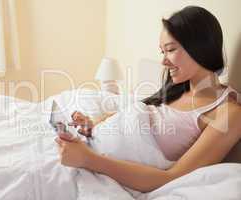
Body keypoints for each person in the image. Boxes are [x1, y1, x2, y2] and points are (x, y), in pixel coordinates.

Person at [55, 6, 241, 192]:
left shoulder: (227, 113)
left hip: (96, 163)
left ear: (200, 46)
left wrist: (88, 159)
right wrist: (92, 125)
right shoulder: (177, 89)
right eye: (163, 52)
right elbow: (135, 116)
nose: (163, 61)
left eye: (170, 50)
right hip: (89, 146)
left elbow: (172, 178)